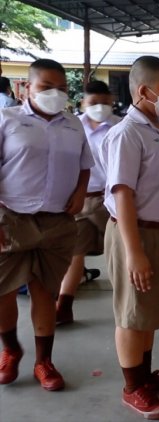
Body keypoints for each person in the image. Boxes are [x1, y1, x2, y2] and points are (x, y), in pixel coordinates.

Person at [100, 55, 159, 420]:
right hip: (133, 234)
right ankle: (133, 387)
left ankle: (145, 376)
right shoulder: (127, 134)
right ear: (143, 91)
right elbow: (123, 196)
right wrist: (134, 253)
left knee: (148, 313)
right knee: (132, 315)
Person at [0, 59, 93, 391]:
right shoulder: (7, 119)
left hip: (57, 220)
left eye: (62, 88)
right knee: (3, 291)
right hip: (10, 218)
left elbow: (85, 165)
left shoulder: (74, 124)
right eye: (46, 87)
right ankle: (10, 350)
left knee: (44, 291)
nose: (55, 93)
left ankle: (44, 362)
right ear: (28, 87)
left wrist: (81, 192)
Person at [56, 80, 121, 325]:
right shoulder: (72, 127)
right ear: (83, 102)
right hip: (81, 201)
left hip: (112, 201)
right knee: (75, 253)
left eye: (105, 103)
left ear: (112, 102)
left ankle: (128, 299)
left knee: (119, 251)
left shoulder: (119, 127)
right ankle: (64, 305)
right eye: (93, 103)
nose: (99, 108)